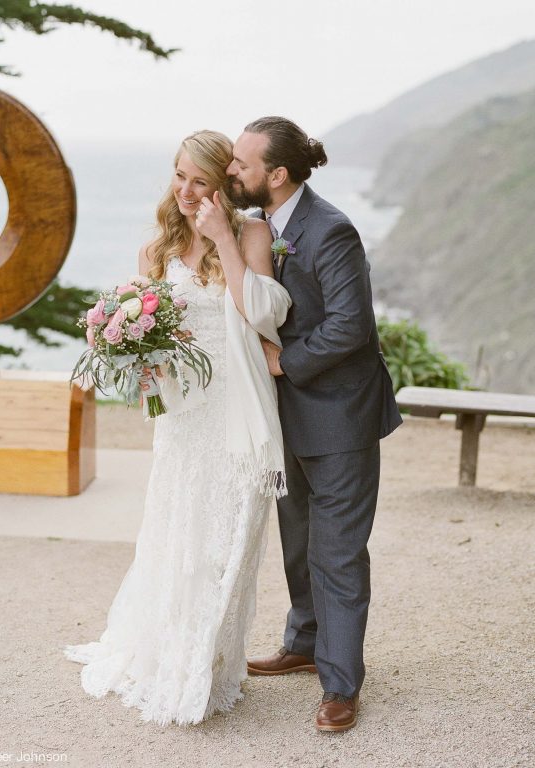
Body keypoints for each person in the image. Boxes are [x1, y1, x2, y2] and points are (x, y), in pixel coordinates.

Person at [63, 130, 291, 726]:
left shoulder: (252, 232)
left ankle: (210, 664)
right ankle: (172, 659)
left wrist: (224, 239)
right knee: (179, 537)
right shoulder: (155, 252)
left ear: (224, 184)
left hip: (237, 412)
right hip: (183, 416)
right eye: (179, 176)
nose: (187, 191)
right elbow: (147, 339)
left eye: (201, 180)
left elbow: (266, 314)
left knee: (230, 540)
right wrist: (141, 364)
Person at [226, 117, 402, 732]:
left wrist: (284, 359)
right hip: (285, 417)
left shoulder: (331, 230)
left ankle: (340, 683)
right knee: (298, 541)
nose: (231, 171)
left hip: (340, 415)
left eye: (241, 164)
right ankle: (302, 641)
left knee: (337, 553)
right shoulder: (257, 226)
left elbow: (352, 327)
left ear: (277, 175)